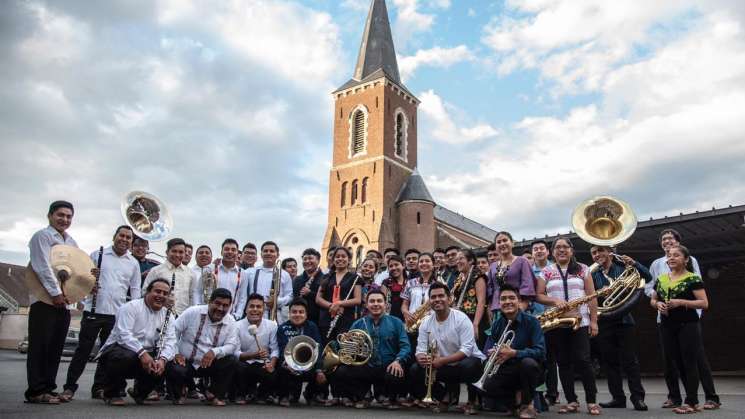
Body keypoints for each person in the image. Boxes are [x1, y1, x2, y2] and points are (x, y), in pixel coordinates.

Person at [62, 225, 141, 401]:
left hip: (117, 314)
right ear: (115, 236)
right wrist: (89, 284)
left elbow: (135, 289)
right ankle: (69, 388)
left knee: (107, 355)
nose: (125, 239)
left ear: (131, 242)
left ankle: (98, 388)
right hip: (94, 311)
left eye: (129, 238)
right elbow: (82, 281)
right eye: (122, 235)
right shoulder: (97, 255)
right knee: (83, 351)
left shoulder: (133, 262)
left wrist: (135, 313)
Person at [646, 229, 720, 410]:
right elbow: (651, 291)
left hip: (688, 320)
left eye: (670, 239)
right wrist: (657, 304)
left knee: (695, 361)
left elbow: (697, 291)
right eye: (664, 239)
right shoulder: (658, 267)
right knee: (672, 361)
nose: (667, 242)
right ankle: (677, 398)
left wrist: (682, 303)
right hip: (665, 320)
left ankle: (707, 398)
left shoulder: (690, 262)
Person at [536, 237, 601, 415]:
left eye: (565, 247)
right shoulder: (546, 271)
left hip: (581, 322)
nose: (562, 250)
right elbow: (538, 295)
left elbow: (592, 296)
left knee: (583, 361)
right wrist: (555, 300)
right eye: (558, 247)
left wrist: (594, 321)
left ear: (571, 250)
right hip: (556, 323)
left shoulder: (583, 269)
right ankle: (571, 401)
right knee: (563, 363)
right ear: (553, 251)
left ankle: (592, 401)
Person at [25, 201, 78, 404]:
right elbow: (42, 267)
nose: (65, 219)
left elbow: (75, 270)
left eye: (68, 216)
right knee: (40, 346)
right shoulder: (42, 236)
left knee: (55, 348)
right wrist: (55, 293)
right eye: (60, 215)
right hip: (44, 300)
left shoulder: (71, 241)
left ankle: (48, 388)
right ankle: (36, 391)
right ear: (50, 216)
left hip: (64, 303)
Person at [589, 245, 651, 411]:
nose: (597, 255)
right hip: (604, 321)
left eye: (600, 251)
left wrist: (635, 263)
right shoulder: (592, 274)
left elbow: (648, 277)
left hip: (624, 320)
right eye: (593, 253)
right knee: (610, 363)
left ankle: (638, 398)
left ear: (609, 252)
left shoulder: (624, 267)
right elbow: (589, 297)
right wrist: (600, 293)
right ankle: (618, 398)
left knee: (630, 362)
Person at [410, 282, 485, 414]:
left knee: (470, 365)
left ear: (449, 299)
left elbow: (467, 350)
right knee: (416, 369)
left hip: (466, 363)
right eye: (433, 297)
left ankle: (473, 401)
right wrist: (422, 358)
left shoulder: (461, 318)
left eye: (441, 296)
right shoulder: (425, 322)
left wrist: (442, 361)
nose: (437, 299)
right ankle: (444, 397)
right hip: (443, 365)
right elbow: (420, 350)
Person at [98, 278, 173, 406]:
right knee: (125, 356)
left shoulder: (168, 315)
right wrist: (142, 353)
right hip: (121, 350)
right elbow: (124, 335)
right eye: (157, 291)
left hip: (146, 354)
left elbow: (171, 341)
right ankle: (111, 393)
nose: (161, 296)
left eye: (165, 294)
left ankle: (140, 393)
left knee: (168, 364)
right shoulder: (130, 307)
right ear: (147, 292)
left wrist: (162, 360)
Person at [335, 290, 410, 409]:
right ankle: (363, 395)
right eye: (372, 301)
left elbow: (405, 346)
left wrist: (398, 361)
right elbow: (347, 349)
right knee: (342, 371)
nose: (376, 304)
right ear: (366, 305)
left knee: (397, 371)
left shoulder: (397, 322)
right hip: (366, 367)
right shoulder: (358, 324)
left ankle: (390, 398)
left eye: (379, 301)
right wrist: (346, 343)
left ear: (386, 304)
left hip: (387, 366)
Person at [163, 288, 239, 406]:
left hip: (210, 364)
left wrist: (215, 352)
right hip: (186, 362)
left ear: (229, 307)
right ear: (210, 301)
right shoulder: (192, 312)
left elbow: (232, 345)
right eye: (217, 303)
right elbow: (173, 331)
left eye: (225, 305)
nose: (220, 308)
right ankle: (180, 392)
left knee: (232, 360)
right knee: (172, 366)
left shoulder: (231, 322)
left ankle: (213, 393)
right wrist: (176, 353)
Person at [482, 284, 545, 419]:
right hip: (508, 368)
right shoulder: (498, 324)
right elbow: (488, 348)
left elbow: (540, 351)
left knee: (528, 364)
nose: (507, 302)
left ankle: (527, 405)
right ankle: (513, 406)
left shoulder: (532, 322)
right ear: (499, 303)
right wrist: (493, 352)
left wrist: (515, 353)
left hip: (530, 370)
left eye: (512, 298)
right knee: (486, 384)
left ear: (519, 301)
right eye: (503, 299)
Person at [315, 247, 362, 406]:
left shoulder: (355, 278)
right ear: (332, 260)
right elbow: (318, 299)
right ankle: (334, 394)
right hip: (327, 321)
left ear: (349, 259)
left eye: (343, 256)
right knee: (329, 358)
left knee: (345, 357)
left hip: (346, 321)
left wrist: (340, 303)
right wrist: (331, 306)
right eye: (337, 257)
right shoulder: (326, 277)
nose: (340, 259)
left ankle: (346, 395)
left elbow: (358, 300)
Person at [450, 249, 489, 412]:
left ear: (471, 261)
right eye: (456, 259)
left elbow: (481, 302)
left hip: (474, 321)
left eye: (461, 258)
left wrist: (475, 324)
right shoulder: (460, 278)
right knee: (463, 360)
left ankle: (476, 400)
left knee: (473, 361)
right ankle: (470, 400)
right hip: (460, 322)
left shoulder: (478, 276)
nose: (458, 261)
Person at [276, 298, 327, 406]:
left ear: (306, 314)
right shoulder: (282, 328)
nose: (297, 315)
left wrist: (319, 370)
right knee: (281, 369)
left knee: (323, 370)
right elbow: (281, 350)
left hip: (309, 365)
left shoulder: (312, 327)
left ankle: (310, 394)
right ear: (289, 313)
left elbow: (318, 348)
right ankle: (284, 395)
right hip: (289, 366)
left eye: (301, 312)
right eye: (294, 312)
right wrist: (287, 364)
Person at [234, 293, 278, 404]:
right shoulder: (236, 326)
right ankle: (241, 394)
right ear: (246, 309)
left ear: (263, 310)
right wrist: (253, 355)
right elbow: (235, 352)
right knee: (237, 367)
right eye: (251, 306)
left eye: (258, 307)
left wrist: (271, 364)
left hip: (262, 363)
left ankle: (261, 395)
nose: (255, 309)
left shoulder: (272, 325)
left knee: (272, 373)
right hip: (244, 363)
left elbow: (275, 349)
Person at [235, 241, 293, 323]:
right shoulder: (249, 272)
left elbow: (290, 296)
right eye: (265, 251)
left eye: (272, 251)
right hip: (252, 316)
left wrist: (277, 301)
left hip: (276, 318)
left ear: (278, 255)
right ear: (261, 254)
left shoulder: (284, 274)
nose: (268, 253)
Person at [530, 239, 556, 404]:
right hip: (535, 319)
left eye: (541, 248)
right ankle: (537, 393)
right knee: (537, 357)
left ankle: (552, 394)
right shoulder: (528, 270)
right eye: (535, 249)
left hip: (555, 317)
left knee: (551, 358)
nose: (538, 251)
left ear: (548, 251)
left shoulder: (555, 268)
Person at [488, 232, 536, 315]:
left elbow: (528, 286)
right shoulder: (493, 266)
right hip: (498, 309)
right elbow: (490, 288)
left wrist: (523, 306)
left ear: (512, 243)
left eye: (505, 240)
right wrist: (491, 308)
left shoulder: (522, 261)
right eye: (499, 242)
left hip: (517, 308)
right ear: (496, 246)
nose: (502, 244)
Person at [192, 239, 243, 317]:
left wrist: (237, 315)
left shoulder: (243, 273)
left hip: (230, 317)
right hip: (208, 314)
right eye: (226, 249)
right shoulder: (209, 269)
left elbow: (242, 297)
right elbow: (197, 291)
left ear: (237, 253)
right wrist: (198, 308)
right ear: (221, 252)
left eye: (233, 250)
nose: (230, 252)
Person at [143, 238, 194, 315]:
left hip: (181, 317)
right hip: (158, 314)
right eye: (174, 251)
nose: (177, 255)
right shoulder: (156, 271)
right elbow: (144, 292)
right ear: (167, 252)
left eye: (181, 252)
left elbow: (192, 297)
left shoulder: (191, 274)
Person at [401, 253, 436, 331]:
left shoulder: (439, 283)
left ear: (433, 265)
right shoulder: (410, 283)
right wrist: (406, 313)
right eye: (421, 261)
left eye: (427, 261)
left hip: (433, 323)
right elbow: (404, 304)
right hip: (413, 323)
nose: (424, 263)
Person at [292, 248, 324, 325]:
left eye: (310, 258)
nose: (307, 261)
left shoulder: (325, 278)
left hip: (318, 320)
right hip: (299, 319)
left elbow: (326, 298)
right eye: (305, 259)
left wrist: (310, 293)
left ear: (318, 260)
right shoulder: (297, 279)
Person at [381, 255, 406, 321]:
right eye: (391, 266)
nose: (394, 268)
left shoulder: (410, 282)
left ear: (403, 266)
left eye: (396, 265)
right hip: (390, 318)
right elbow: (382, 302)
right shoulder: (386, 283)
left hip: (407, 318)